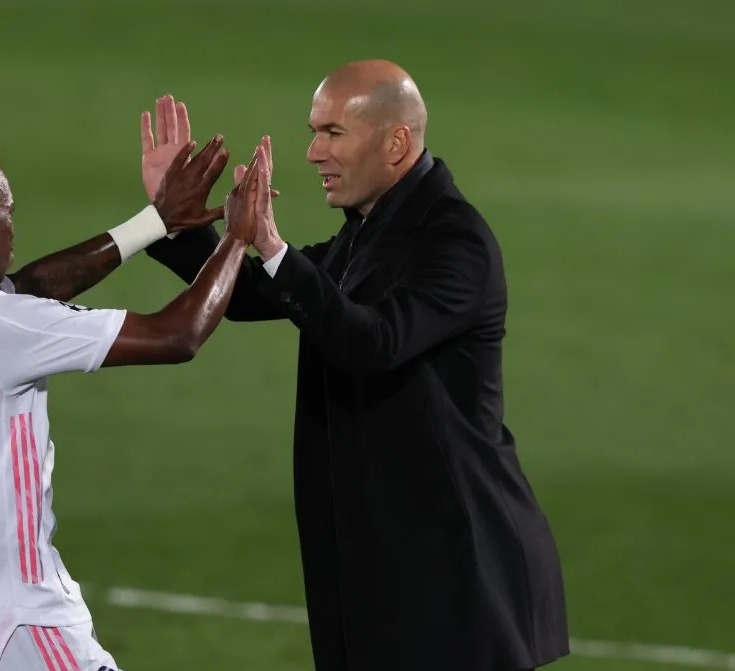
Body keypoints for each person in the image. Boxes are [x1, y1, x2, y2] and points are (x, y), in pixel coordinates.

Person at [142, 64, 570, 670]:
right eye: (314, 132)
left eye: (333, 133)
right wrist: (165, 221)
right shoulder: (367, 233)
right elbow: (249, 297)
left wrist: (273, 249)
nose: (314, 152)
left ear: (396, 143)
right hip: (381, 562)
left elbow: (372, 343)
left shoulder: (453, 241)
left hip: (453, 576)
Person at [0, 134, 271, 671]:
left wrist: (156, 221)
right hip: (21, 626)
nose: (15, 226)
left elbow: (29, 289)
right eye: (7, 211)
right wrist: (237, 238)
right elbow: (178, 335)